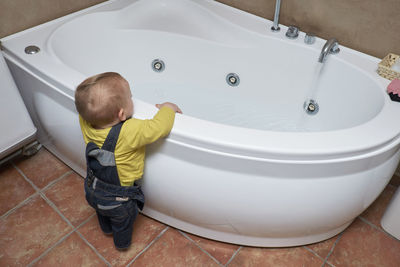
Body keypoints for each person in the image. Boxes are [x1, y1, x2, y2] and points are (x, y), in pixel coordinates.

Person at [74, 72, 182, 249]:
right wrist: (167, 108)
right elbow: (159, 128)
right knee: (123, 223)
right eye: (130, 97)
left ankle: (106, 228)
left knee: (102, 210)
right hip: (120, 200)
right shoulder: (129, 131)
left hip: (92, 189)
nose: (132, 99)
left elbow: (85, 111)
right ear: (122, 114)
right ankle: (121, 244)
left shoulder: (86, 122)